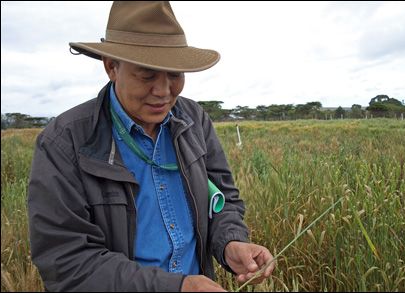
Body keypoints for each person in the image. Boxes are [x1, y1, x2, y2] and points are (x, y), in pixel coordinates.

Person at [27, 1, 275, 292]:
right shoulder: (64, 141)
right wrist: (176, 287)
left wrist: (230, 242)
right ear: (111, 67)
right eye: (147, 75)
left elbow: (222, 201)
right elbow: (67, 261)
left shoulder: (194, 121)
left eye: (174, 74)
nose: (164, 91)